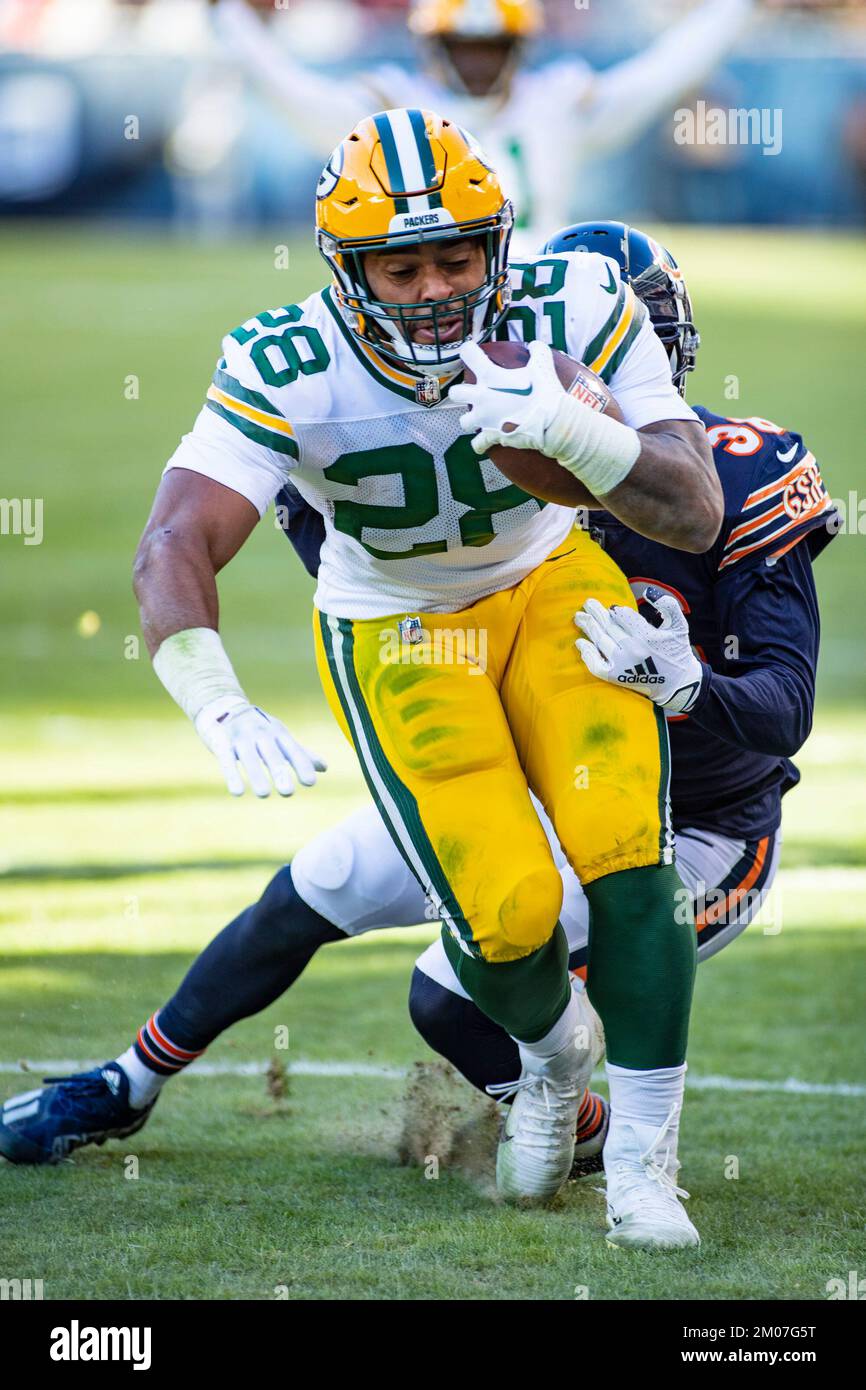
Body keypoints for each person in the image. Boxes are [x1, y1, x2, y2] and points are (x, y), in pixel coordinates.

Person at [0, 115, 720, 1247]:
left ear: (499, 246)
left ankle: (640, 1168)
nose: (435, 289)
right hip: (397, 623)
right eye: (401, 263)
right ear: (347, 269)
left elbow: (690, 505)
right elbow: (173, 542)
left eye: (455, 257)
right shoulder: (284, 358)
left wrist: (580, 443)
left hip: (548, 580)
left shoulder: (576, 300)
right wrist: (214, 697)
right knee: (508, 913)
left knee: (629, 853)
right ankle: (550, 1061)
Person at [208, 0, 764, 246]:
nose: (478, 62)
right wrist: (233, 20)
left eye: (492, 48)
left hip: (541, 298)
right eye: (465, 47)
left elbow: (660, 75)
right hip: (436, 294)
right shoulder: (393, 103)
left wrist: (734, 9)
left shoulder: (557, 100)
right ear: (434, 45)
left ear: (519, 47)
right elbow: (298, 96)